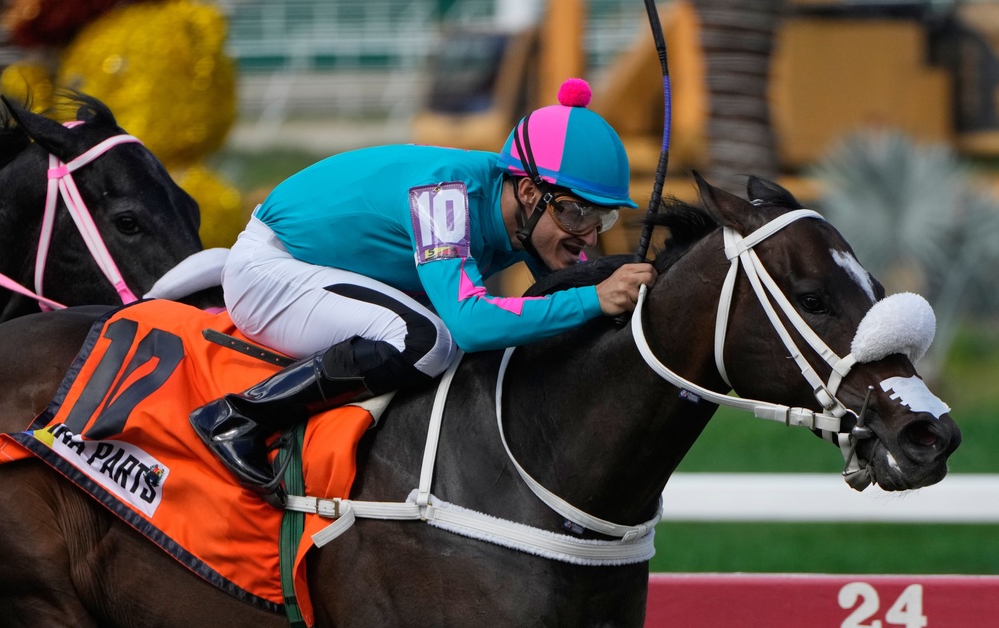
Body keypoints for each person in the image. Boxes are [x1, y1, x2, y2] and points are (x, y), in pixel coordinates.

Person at [189, 78, 657, 504]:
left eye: (603, 219)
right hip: (271, 273)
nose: (589, 236)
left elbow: (548, 298)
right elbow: (472, 324)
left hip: (323, 270)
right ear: (531, 194)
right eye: (578, 214)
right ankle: (239, 418)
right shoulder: (445, 195)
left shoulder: (519, 212)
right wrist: (594, 298)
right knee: (427, 341)